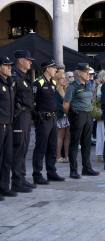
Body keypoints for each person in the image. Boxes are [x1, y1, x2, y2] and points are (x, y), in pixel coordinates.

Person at [63, 63, 100, 179]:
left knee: (87, 143)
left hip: (88, 114)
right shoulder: (72, 86)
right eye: (86, 72)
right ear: (79, 73)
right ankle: (73, 170)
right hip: (78, 115)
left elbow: (91, 98)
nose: (88, 74)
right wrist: (71, 116)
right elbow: (65, 105)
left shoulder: (88, 84)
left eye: (89, 72)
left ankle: (86, 168)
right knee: (74, 144)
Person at [32, 59, 65, 184]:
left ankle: (51, 172)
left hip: (52, 119)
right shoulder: (38, 83)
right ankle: (37, 174)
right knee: (41, 147)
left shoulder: (52, 83)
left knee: (52, 146)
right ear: (47, 68)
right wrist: (35, 116)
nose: (55, 70)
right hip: (43, 119)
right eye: (53, 68)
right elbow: (32, 102)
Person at [11, 50, 36, 193]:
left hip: (26, 115)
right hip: (19, 115)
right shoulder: (15, 76)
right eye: (28, 60)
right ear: (21, 61)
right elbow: (11, 98)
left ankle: (22, 178)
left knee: (25, 147)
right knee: (19, 147)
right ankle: (16, 181)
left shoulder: (24, 76)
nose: (30, 62)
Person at [0, 56, 17, 200]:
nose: (10, 67)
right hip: (0, 124)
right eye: (7, 65)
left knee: (7, 157)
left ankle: (5, 187)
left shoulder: (9, 81)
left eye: (10, 65)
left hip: (9, 123)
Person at [55, 72, 70, 163]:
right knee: (60, 136)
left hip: (68, 116)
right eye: (62, 78)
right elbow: (56, 104)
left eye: (65, 78)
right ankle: (58, 156)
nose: (64, 80)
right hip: (61, 116)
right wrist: (65, 109)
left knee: (68, 136)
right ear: (57, 80)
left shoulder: (67, 89)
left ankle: (67, 156)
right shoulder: (56, 91)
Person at [96, 70, 105, 163]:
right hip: (102, 113)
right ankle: (101, 154)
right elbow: (99, 97)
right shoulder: (101, 86)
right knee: (101, 134)